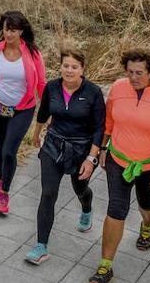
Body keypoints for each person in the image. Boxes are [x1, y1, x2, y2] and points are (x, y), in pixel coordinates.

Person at [89, 48, 150, 283]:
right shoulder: (118, 89)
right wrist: (102, 147)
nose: (133, 77)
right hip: (118, 160)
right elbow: (109, 120)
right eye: (130, 72)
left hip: (149, 166)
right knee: (116, 209)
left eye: (139, 73)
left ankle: (147, 225)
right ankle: (105, 266)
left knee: (146, 205)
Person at [25, 49, 105, 265]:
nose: (69, 70)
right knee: (48, 193)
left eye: (74, 67)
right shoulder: (52, 87)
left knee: (80, 188)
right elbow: (43, 113)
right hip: (53, 145)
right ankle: (41, 246)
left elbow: (99, 128)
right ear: (60, 67)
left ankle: (86, 207)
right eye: (66, 66)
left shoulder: (93, 92)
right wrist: (36, 134)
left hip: (81, 149)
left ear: (82, 69)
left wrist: (91, 158)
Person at [0, 11, 47, 216]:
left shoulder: (33, 54)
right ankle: (2, 182)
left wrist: (48, 110)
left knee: (8, 151)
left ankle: (4, 193)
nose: (9, 34)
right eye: (6, 29)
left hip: (22, 109)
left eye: (13, 30)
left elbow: (41, 83)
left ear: (21, 31)